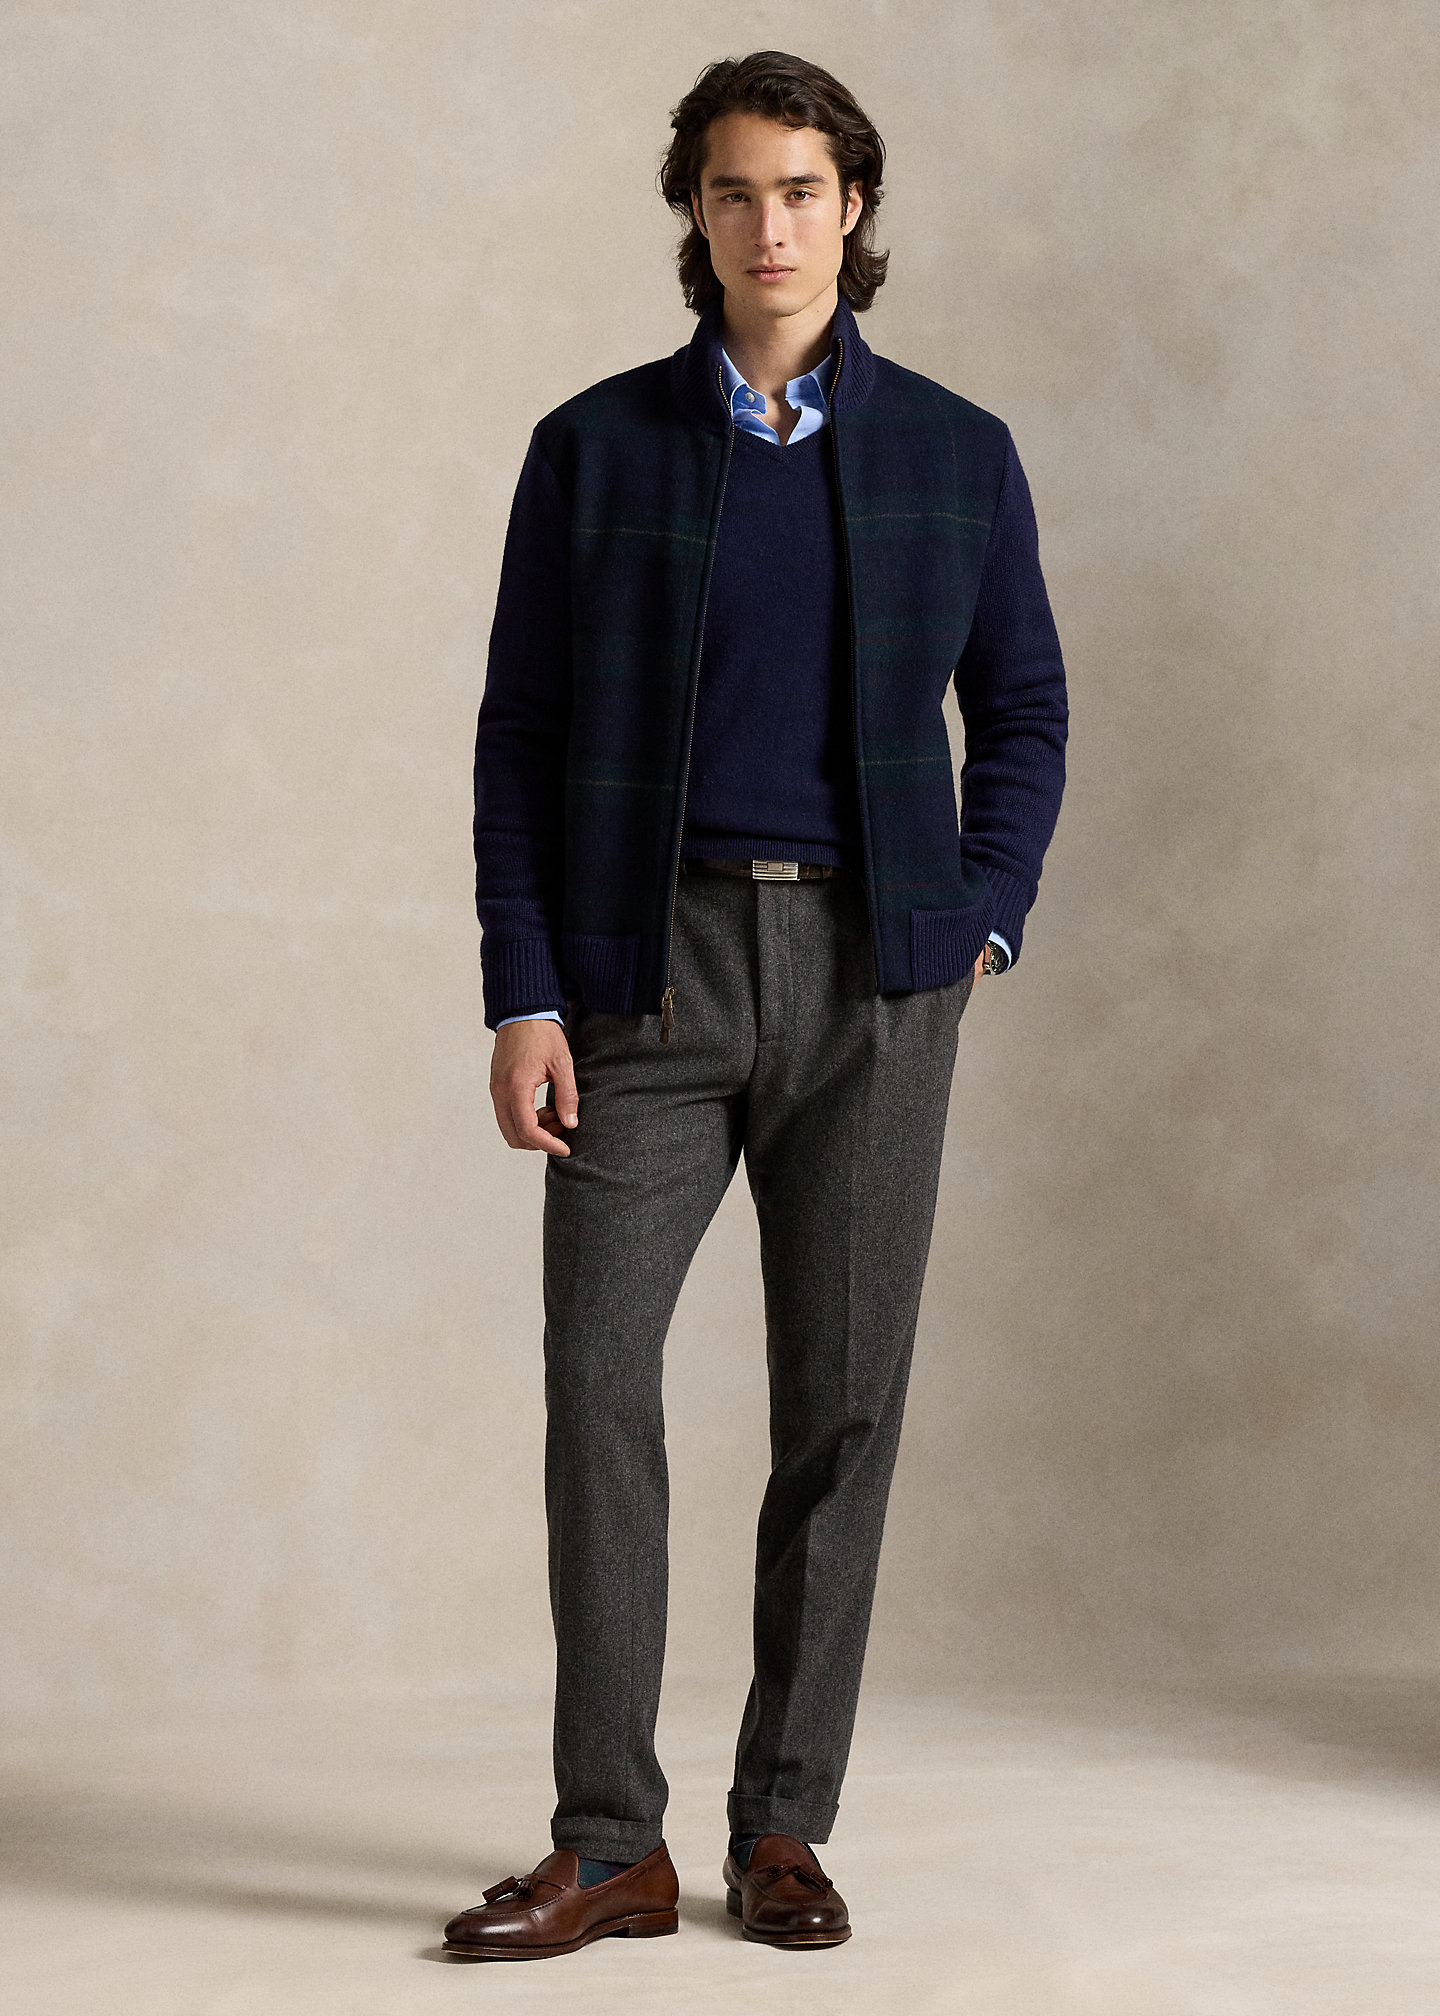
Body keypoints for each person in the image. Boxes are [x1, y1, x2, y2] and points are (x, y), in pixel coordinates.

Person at [443, 49, 1068, 1960]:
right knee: (597, 1387)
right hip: (644, 977)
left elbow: (1023, 712)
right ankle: (609, 1842)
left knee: (843, 1410)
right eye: (733, 191)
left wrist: (981, 922)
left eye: (801, 189)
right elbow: (520, 737)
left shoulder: (955, 451)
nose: (768, 225)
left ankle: (783, 1826)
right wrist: (526, 990)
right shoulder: (595, 448)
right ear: (694, 215)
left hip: (879, 981)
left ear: (852, 207)